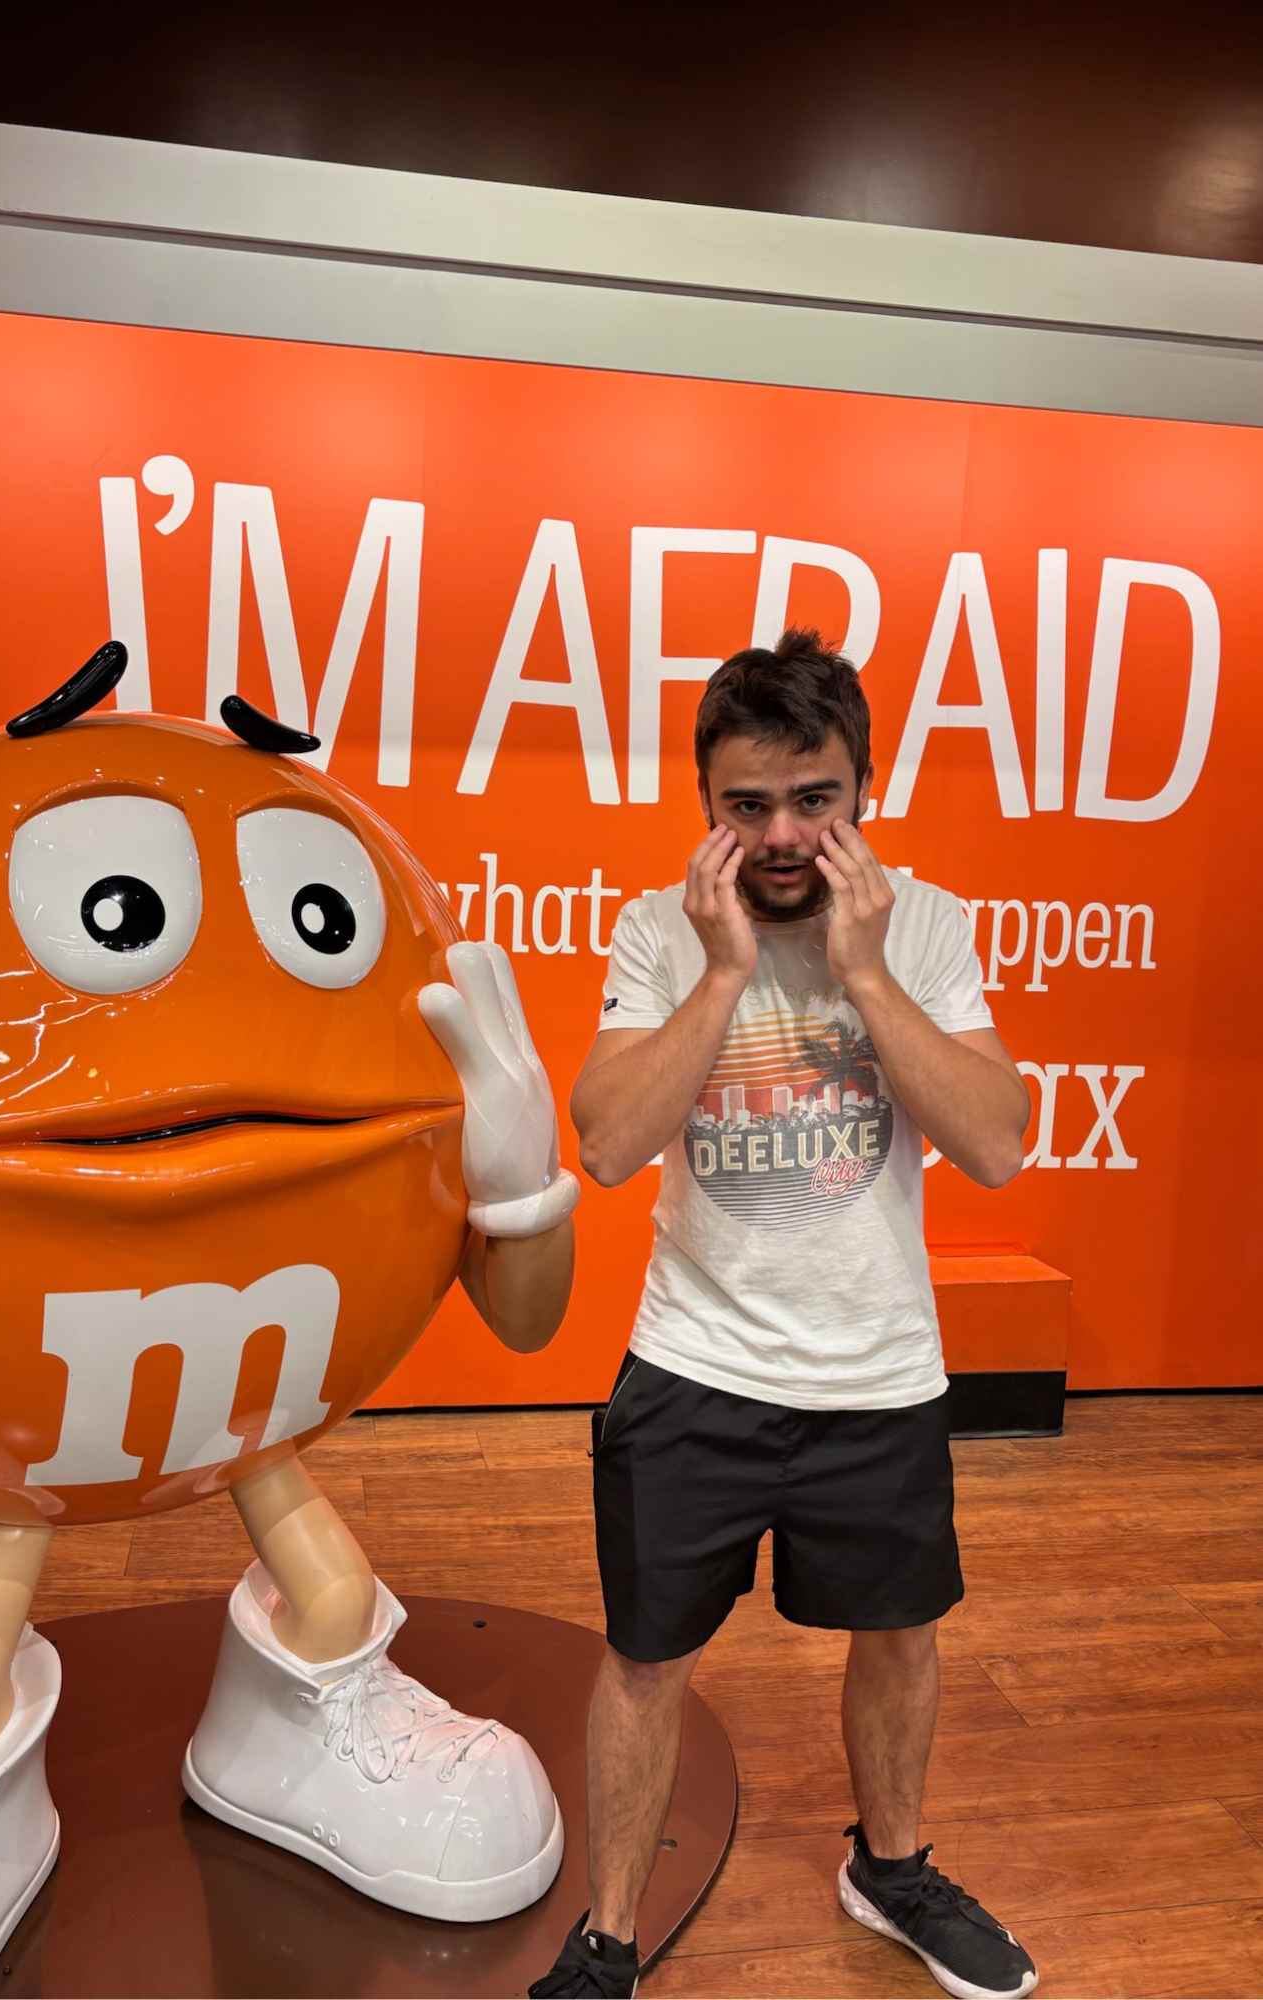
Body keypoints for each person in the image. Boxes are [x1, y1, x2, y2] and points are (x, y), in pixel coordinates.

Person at [529, 628, 1037, 2000]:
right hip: (694, 1363)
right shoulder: (663, 926)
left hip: (877, 1370)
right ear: (707, 806)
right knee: (645, 1660)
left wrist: (867, 976)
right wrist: (718, 972)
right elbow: (610, 1144)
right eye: (746, 806)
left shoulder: (918, 923)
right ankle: (608, 1937)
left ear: (860, 790)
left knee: (900, 1637)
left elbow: (994, 1145)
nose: (782, 835)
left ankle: (890, 1868)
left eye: (813, 799)